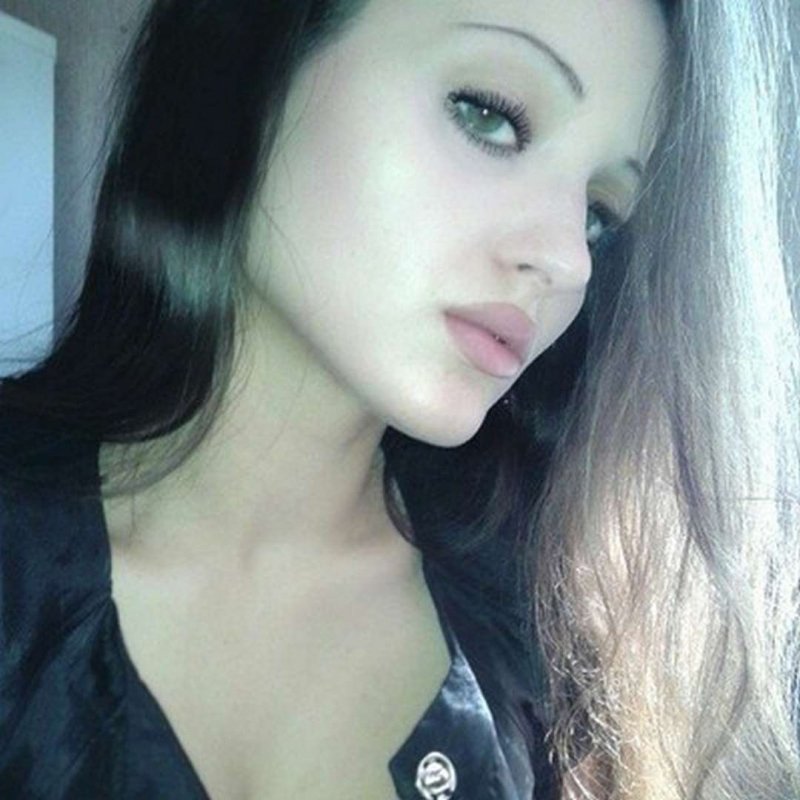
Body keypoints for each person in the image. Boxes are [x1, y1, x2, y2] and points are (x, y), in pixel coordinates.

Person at [1, 0, 798, 798]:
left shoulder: (568, 634)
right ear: (258, 57)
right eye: (489, 114)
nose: (567, 260)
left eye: (599, 214)